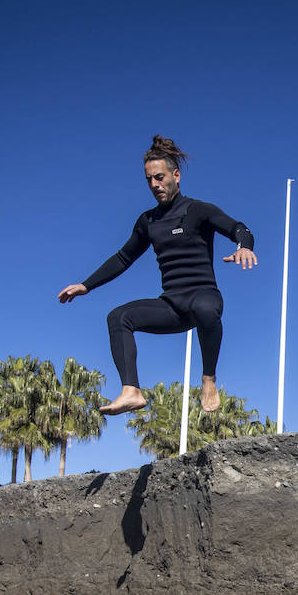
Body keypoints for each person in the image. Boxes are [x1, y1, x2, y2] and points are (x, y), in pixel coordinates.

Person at [58, 135, 257, 415]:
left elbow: (239, 228)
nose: (154, 185)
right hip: (172, 306)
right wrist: (85, 285)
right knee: (118, 317)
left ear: (176, 175)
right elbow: (123, 257)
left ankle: (208, 378)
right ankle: (131, 391)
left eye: (160, 177)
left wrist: (243, 247)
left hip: (204, 298)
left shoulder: (197, 210)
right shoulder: (148, 221)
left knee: (204, 307)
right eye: (149, 180)